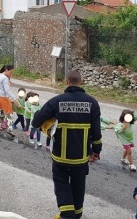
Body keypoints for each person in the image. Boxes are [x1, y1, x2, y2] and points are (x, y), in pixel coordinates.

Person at [32, 70, 102, 219]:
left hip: (60, 157)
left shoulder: (56, 101)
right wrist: (96, 150)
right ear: (81, 82)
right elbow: (96, 132)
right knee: (78, 186)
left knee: (62, 185)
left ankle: (67, 214)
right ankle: (76, 215)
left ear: (66, 82)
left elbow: (36, 121)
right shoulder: (92, 103)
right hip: (81, 158)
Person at [0, 65, 20, 141]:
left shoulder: (0, 75)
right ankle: (9, 129)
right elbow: (7, 91)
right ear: (6, 70)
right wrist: (14, 99)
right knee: (10, 114)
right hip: (4, 98)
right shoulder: (5, 78)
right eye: (10, 72)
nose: (11, 73)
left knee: (2, 112)